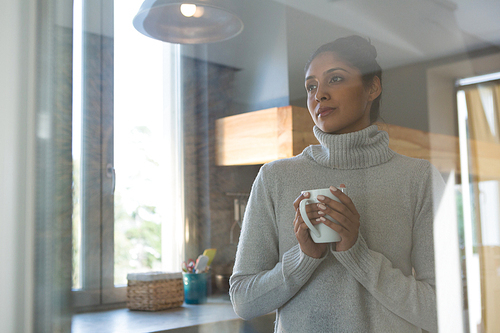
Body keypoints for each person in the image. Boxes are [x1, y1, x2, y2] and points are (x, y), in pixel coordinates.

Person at [229, 35, 444, 333]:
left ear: (373, 87)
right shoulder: (274, 178)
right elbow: (244, 302)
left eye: (336, 79)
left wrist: (357, 254)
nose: (320, 95)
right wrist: (304, 258)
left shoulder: (418, 178)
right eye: (311, 86)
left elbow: (440, 311)